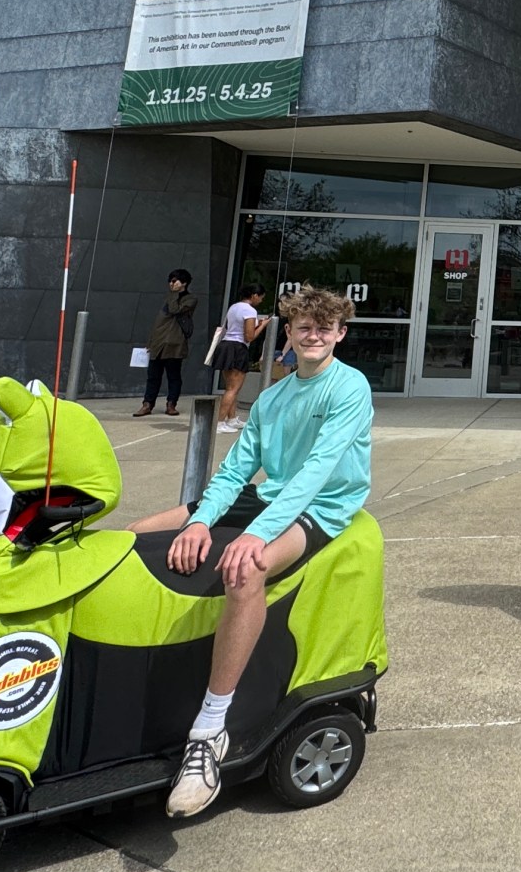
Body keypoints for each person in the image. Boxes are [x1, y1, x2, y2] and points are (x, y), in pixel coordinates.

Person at [128, 285, 373, 819]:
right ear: (290, 333)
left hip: (324, 504)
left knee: (245, 571)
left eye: (325, 328)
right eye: (305, 327)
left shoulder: (350, 387)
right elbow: (237, 469)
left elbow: (317, 472)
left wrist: (257, 535)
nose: (314, 335)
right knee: (136, 536)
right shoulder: (273, 398)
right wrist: (199, 522)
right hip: (270, 494)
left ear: (340, 334)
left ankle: (209, 730)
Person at [133, 269, 197, 418]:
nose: (171, 284)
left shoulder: (190, 299)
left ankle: (171, 404)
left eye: (175, 281)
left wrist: (174, 293)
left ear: (184, 283)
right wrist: (150, 341)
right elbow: (158, 322)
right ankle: (147, 404)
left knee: (173, 376)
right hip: (158, 343)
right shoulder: (168, 298)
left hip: (175, 344)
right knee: (153, 376)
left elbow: (175, 310)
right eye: (170, 281)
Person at [215, 282, 270, 433]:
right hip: (238, 348)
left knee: (230, 387)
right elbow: (249, 337)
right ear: (254, 295)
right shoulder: (250, 310)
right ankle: (219, 422)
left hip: (226, 345)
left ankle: (231, 419)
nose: (261, 300)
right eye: (261, 297)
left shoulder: (233, 307)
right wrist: (263, 325)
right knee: (233, 388)